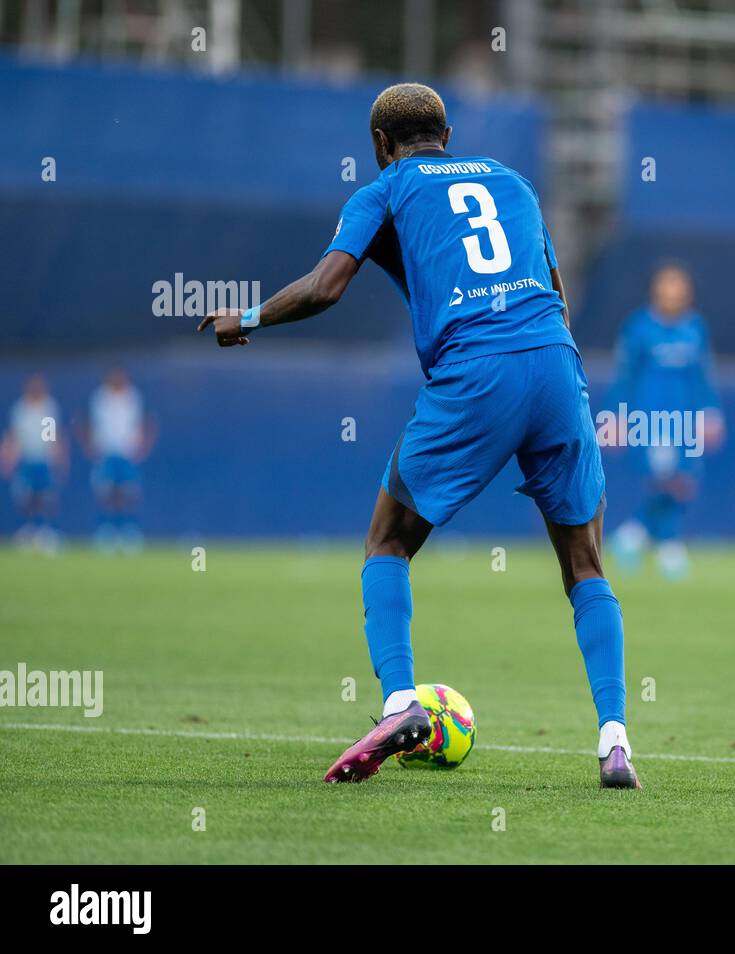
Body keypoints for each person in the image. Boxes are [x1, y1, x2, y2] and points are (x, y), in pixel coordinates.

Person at [197, 83, 638, 788]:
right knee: (586, 565)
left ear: (380, 145)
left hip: (476, 374)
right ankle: (615, 743)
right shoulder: (512, 181)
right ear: (449, 132)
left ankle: (400, 705)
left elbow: (324, 287)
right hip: (555, 363)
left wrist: (244, 319)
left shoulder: (386, 188)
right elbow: (551, 285)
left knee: (388, 541)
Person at [607, 263, 724, 579]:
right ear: (655, 291)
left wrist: (711, 413)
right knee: (667, 479)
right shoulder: (639, 328)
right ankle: (669, 548)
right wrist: (616, 417)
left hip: (686, 420)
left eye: (679, 288)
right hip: (651, 420)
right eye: (667, 287)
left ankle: (630, 536)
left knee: (684, 483)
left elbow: (702, 376)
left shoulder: (695, 328)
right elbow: (624, 376)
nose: (673, 294)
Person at [81, 368, 154, 552]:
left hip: (127, 452)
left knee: (127, 491)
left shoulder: (133, 396)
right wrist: (90, 446)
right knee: (106, 491)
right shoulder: (99, 397)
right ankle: (107, 530)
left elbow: (146, 421)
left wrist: (143, 445)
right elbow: (88, 422)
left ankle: (128, 530)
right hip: (105, 451)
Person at [1, 374, 66, 553]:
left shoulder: (49, 407)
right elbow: (14, 435)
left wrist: (56, 458)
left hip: (43, 459)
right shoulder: (20, 408)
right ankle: (29, 530)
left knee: (45, 497)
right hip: (26, 459)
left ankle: (44, 531)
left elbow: (52, 436)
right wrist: (8, 457)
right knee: (26, 497)